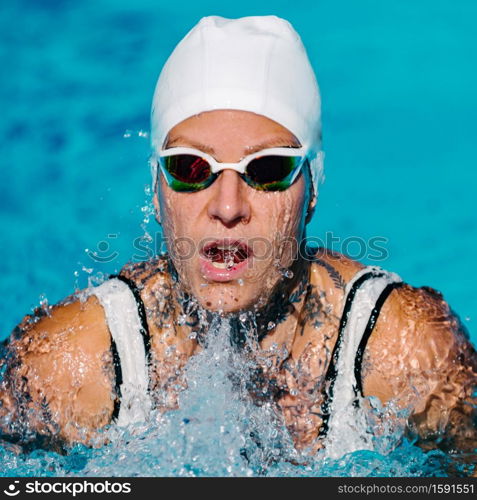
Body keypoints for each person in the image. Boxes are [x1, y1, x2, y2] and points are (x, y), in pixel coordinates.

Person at [1, 15, 476, 463]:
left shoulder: (404, 351)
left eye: (267, 169)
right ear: (156, 187)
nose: (228, 206)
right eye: (191, 168)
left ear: (313, 188)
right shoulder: (71, 363)